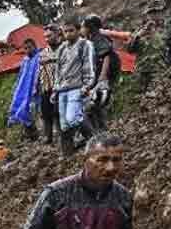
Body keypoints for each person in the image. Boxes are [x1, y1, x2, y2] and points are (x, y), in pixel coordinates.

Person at [54, 16, 96, 156]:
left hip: (77, 87)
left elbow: (88, 66)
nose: (68, 34)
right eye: (65, 32)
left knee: (73, 118)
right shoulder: (61, 49)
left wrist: (87, 85)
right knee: (64, 125)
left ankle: (93, 140)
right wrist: (56, 89)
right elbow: (58, 71)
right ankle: (67, 154)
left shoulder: (85, 45)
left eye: (71, 31)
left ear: (78, 30)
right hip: (62, 89)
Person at [81, 15, 117, 134]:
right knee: (94, 105)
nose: (82, 29)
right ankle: (100, 131)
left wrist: (103, 75)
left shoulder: (99, 38)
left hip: (103, 75)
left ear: (90, 27)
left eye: (83, 27)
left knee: (97, 103)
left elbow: (106, 56)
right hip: (96, 75)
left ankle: (103, 130)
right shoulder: (91, 39)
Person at [38, 25, 62, 146]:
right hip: (47, 86)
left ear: (57, 34)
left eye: (49, 36)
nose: (47, 39)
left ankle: (61, 135)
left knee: (57, 112)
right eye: (45, 37)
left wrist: (51, 60)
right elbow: (42, 71)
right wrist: (42, 87)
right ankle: (48, 136)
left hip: (62, 85)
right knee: (46, 112)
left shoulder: (65, 47)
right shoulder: (43, 52)